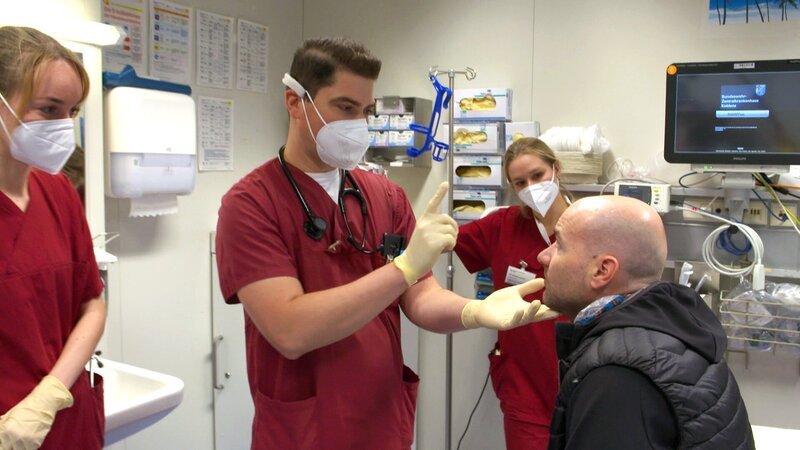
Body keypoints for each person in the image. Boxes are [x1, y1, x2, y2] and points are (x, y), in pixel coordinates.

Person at [215, 37, 557, 449]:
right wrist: (403, 269)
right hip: (305, 429)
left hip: (381, 420)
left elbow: (421, 298)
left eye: (365, 111)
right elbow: (290, 330)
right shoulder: (251, 204)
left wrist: (474, 311)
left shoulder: (384, 196)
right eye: (345, 107)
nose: (358, 124)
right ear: (295, 102)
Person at [537, 195, 755, 449]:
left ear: (602, 270)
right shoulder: (670, 327)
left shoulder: (617, 379)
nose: (543, 256)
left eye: (560, 245)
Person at [0, 27, 106, 449]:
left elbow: (91, 303)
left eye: (72, 111)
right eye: (48, 109)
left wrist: (48, 397)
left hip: (66, 419)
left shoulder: (58, 192)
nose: (64, 126)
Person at [454, 137, 570, 450]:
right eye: (520, 182)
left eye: (538, 175)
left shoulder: (590, 224)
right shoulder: (502, 226)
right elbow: (446, 240)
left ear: (556, 169)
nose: (531, 187)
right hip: (525, 384)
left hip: (580, 379)